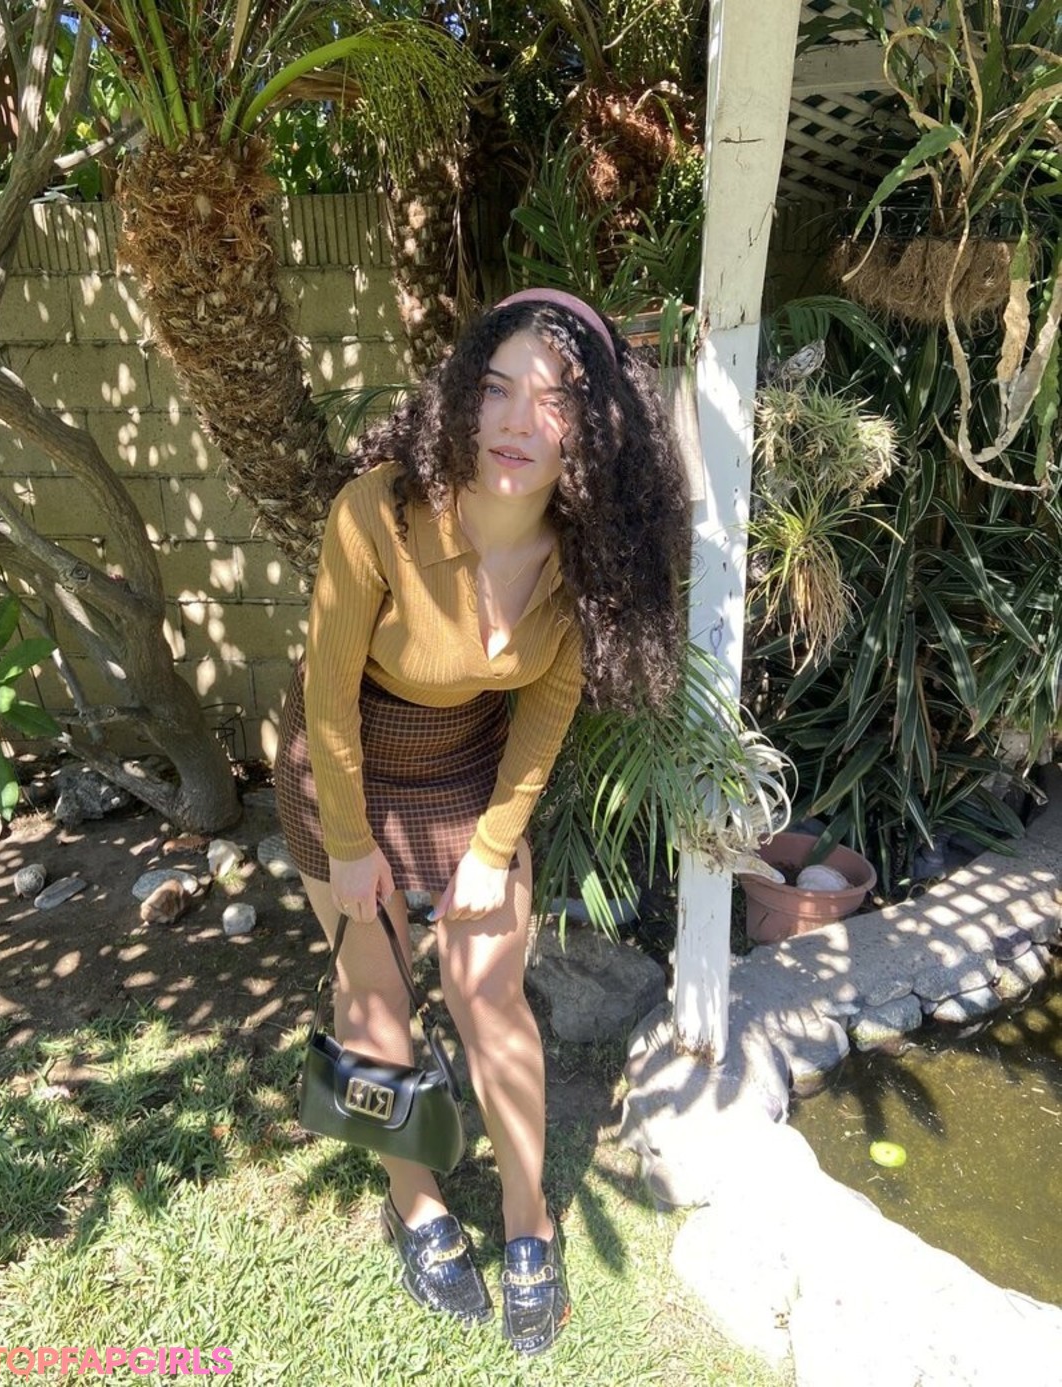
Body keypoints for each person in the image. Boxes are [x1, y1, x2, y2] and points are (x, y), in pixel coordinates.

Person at [275, 288, 690, 1356]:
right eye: (496, 389)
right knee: (375, 990)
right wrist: (353, 847)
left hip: (464, 764)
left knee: (487, 990)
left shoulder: (588, 555)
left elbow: (547, 706)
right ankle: (415, 1204)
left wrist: (492, 848)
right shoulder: (377, 512)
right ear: (463, 397)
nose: (516, 421)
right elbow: (326, 698)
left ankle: (527, 1220)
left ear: (593, 428)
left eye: (552, 401)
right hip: (343, 763)